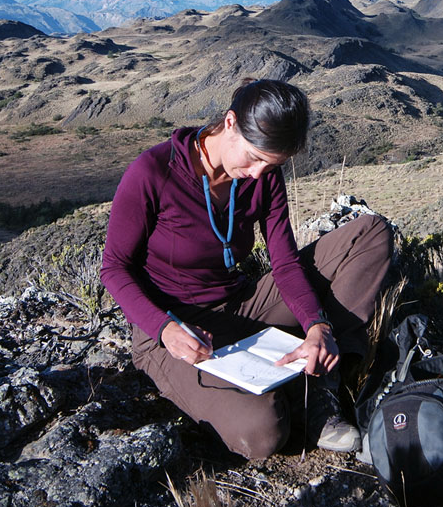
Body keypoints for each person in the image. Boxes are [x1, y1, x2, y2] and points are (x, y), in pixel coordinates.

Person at [100, 78, 392, 457]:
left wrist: (316, 325)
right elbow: (114, 268)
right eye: (254, 158)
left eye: (272, 165)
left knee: (370, 233)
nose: (258, 174)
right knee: (262, 433)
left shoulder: (264, 176)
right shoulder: (154, 172)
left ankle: (323, 381)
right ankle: (285, 393)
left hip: (242, 305)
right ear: (230, 123)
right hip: (175, 328)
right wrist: (163, 328)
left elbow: (284, 263)